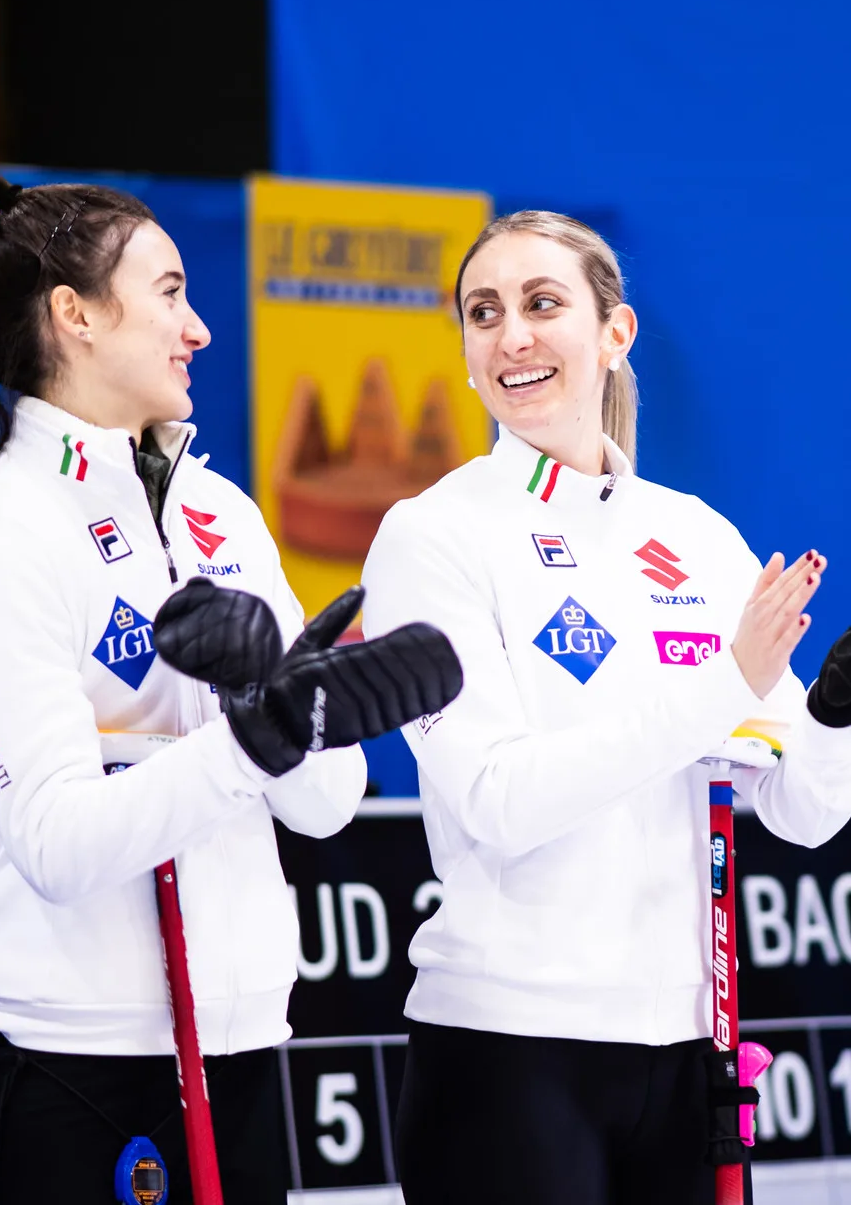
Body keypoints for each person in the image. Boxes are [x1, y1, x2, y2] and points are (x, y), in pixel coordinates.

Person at [0, 172, 461, 1205]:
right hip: (71, 1062)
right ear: (76, 315)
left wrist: (295, 708)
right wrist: (249, 741)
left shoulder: (219, 513)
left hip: (243, 1047)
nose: (199, 329)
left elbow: (325, 807)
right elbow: (56, 844)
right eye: (171, 293)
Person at [361, 210, 851, 1205]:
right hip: (508, 1055)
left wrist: (834, 711)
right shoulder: (432, 535)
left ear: (614, 332)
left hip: (687, 1049)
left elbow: (806, 811)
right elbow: (499, 799)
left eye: (542, 305)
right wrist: (724, 684)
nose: (512, 336)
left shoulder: (694, 536)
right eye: (484, 313)